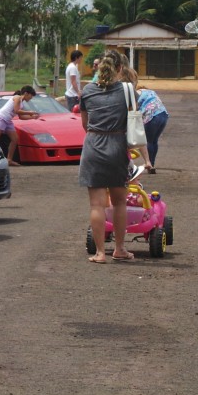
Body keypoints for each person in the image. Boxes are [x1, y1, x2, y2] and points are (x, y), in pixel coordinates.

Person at [78, 53, 133, 264]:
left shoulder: (88, 91)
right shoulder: (127, 91)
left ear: (99, 68)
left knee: (96, 205)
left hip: (93, 146)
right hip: (117, 146)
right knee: (120, 202)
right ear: (120, 68)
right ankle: (119, 249)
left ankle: (100, 253)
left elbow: (85, 124)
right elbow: (133, 121)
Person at [0, 85, 40, 165]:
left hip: (8, 120)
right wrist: (30, 112)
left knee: (15, 139)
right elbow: (17, 110)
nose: (31, 98)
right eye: (31, 96)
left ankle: (9, 160)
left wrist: (33, 117)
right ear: (26, 93)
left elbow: (21, 117)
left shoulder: (21, 103)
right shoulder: (17, 97)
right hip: (2, 117)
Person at [136, 87, 169, 174]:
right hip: (163, 114)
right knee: (154, 141)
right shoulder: (151, 92)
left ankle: (149, 164)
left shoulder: (136, 93)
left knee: (148, 141)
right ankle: (152, 163)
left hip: (152, 115)